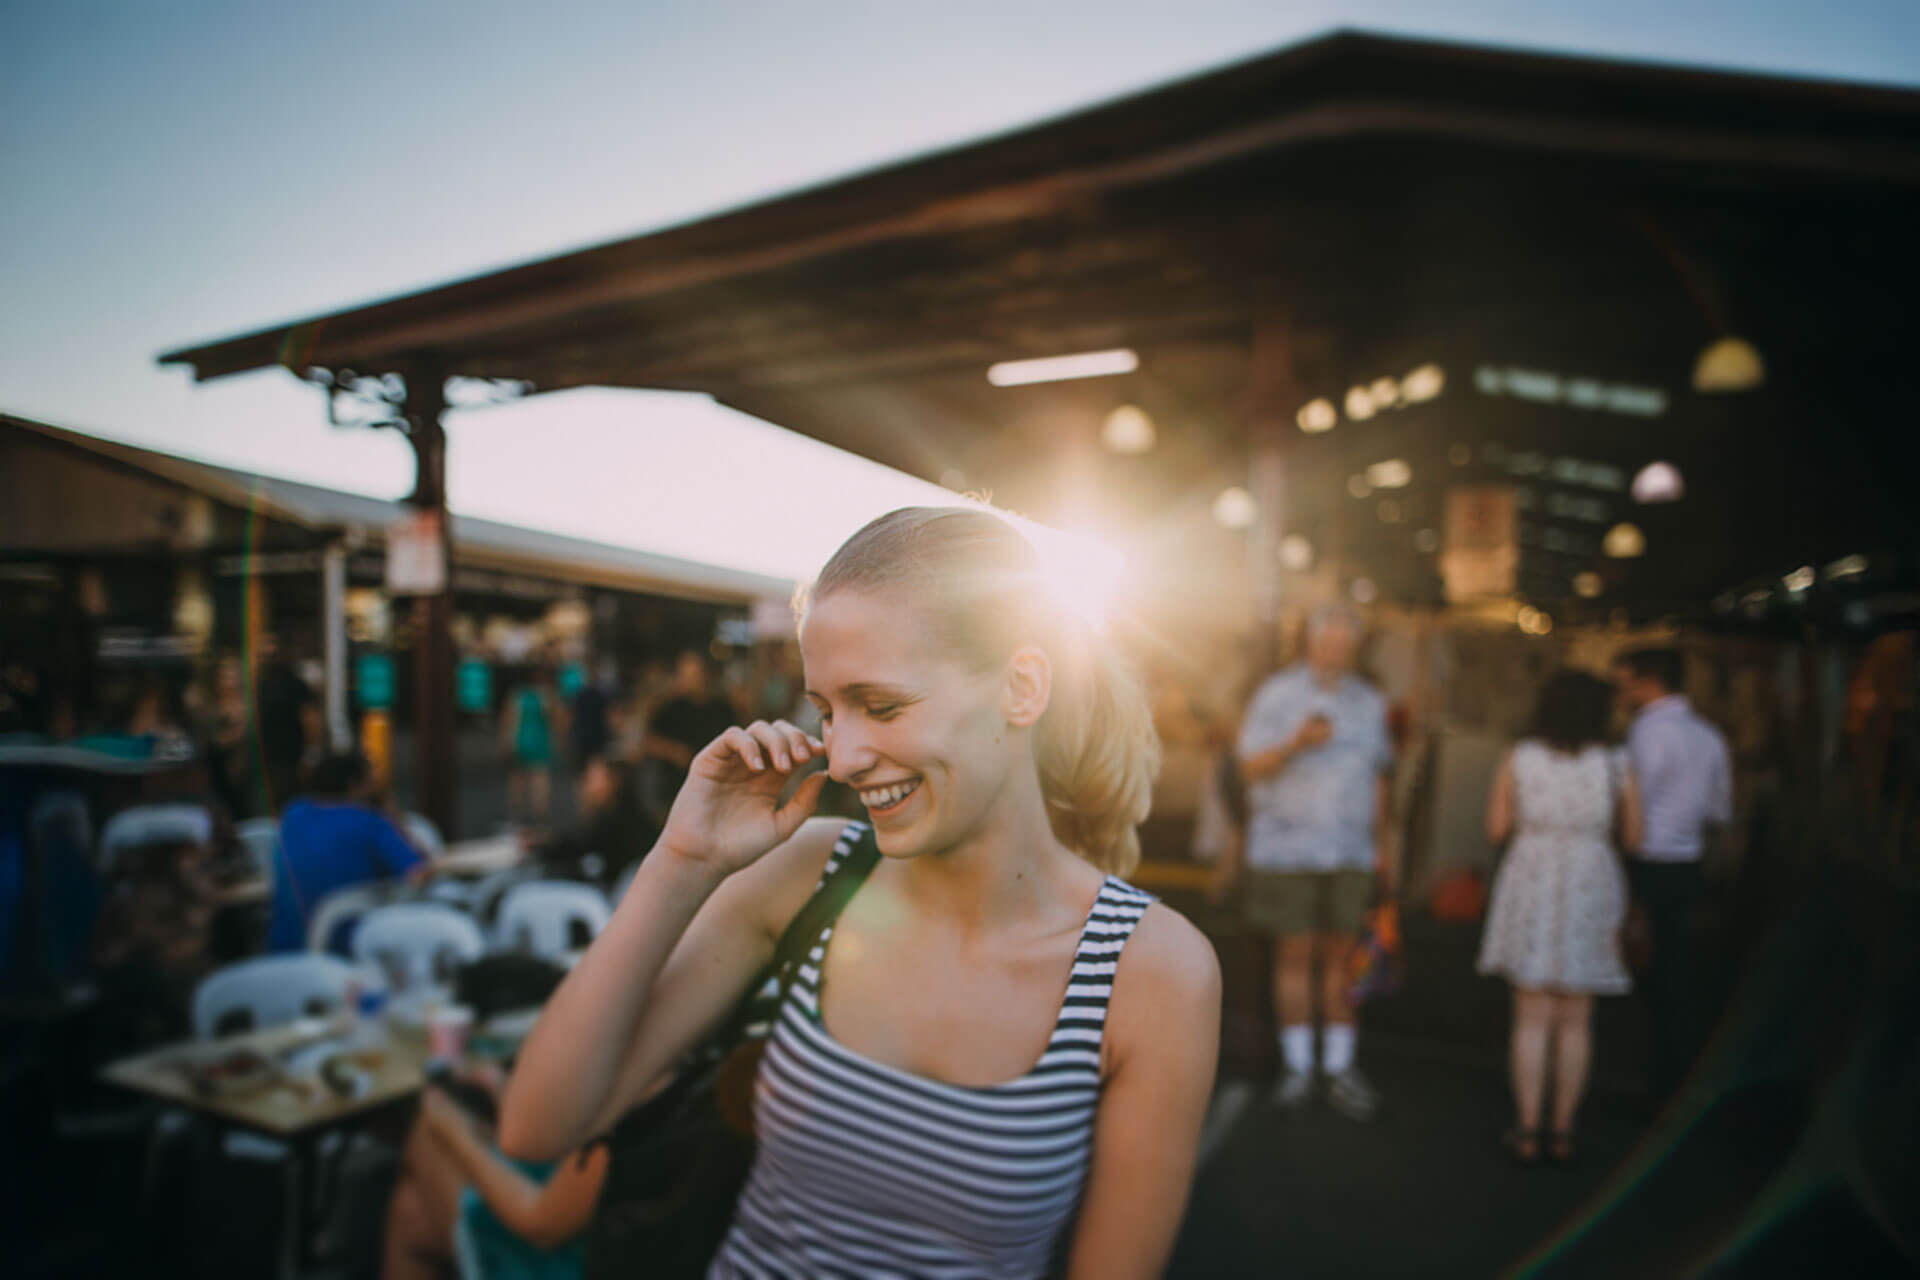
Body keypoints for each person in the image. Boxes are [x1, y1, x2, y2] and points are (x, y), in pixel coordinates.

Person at [501, 506, 1220, 1278]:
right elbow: (539, 1128)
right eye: (826, 712)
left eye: (881, 707)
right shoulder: (812, 873)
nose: (841, 758)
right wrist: (682, 860)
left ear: (1021, 688)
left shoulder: (1153, 974)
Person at [1233, 602, 1397, 1118]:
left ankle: (1339, 1067)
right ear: (1309, 641)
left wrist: (1385, 850)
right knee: (1295, 957)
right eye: (1327, 641)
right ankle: (1299, 1067)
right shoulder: (1277, 694)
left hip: (1349, 850)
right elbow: (1249, 767)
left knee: (1343, 962)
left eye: (1344, 643)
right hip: (1287, 849)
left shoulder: (1369, 701)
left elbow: (1380, 778)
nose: (1335, 651)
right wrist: (1296, 743)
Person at [1478, 669, 1644, 1161]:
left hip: (1532, 875)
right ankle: (1563, 1131)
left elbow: (1495, 828)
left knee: (1531, 1016)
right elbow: (1635, 837)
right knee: (1575, 1018)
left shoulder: (1520, 756)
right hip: (1591, 877)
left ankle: (1528, 1131)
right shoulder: (1616, 761)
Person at [1611, 647, 1733, 1104]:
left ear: (1648, 681)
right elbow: (1719, 812)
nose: (1622, 694)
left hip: (1647, 866)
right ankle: (1673, 1082)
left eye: (1625, 683)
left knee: (1645, 974)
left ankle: (1654, 1083)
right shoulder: (1710, 736)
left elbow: (1631, 805)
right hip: (1689, 866)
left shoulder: (1646, 732)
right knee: (1677, 974)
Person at [384, 1070, 609, 1280]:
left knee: (427, 1137)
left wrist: (455, 1132)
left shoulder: (617, 1120)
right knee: (409, 1214)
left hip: (557, 1258)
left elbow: (543, 1228)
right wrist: (510, 1101)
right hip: (563, 1215)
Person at [268, 751, 430, 951]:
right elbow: (418, 872)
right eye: (371, 782)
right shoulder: (369, 823)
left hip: (285, 948)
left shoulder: (293, 813)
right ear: (355, 786)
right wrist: (389, 812)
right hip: (348, 947)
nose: (376, 787)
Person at [533, 755, 659, 887]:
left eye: (591, 778)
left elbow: (586, 854)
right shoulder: (618, 816)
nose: (585, 784)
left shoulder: (617, 824)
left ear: (614, 781)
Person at [638, 650, 736, 816]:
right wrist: (674, 751)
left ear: (706, 675)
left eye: (694, 674)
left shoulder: (722, 708)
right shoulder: (670, 707)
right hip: (676, 787)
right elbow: (649, 741)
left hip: (712, 788)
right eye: (685, 674)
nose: (689, 679)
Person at [503, 668, 563, 825]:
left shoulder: (518, 696)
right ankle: (539, 815)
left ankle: (516, 814)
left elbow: (508, 720)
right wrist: (558, 739)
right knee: (540, 779)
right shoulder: (546, 696)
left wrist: (506, 742)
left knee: (517, 780)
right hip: (541, 740)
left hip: (520, 740)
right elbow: (556, 720)